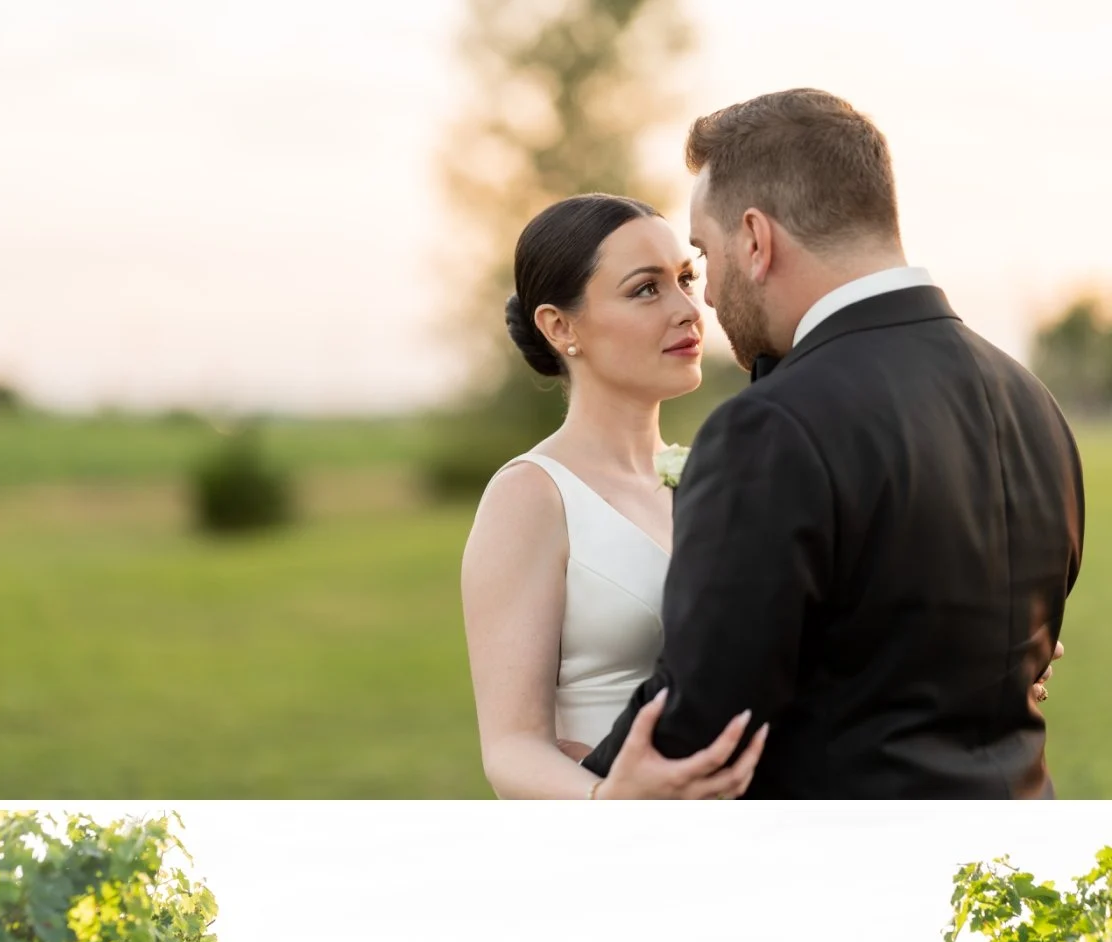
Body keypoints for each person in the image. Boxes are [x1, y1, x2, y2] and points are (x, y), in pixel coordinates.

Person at [581, 88, 1082, 798]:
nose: (709, 295)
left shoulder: (772, 425)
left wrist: (581, 809)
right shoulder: (1033, 402)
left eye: (705, 252)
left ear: (755, 240)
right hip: (1006, 869)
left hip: (841, 877)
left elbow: (705, 716)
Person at [461, 192, 769, 800]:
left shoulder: (707, 476)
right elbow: (510, 750)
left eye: (685, 278)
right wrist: (611, 804)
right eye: (645, 289)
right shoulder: (530, 495)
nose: (689, 309)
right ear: (560, 326)